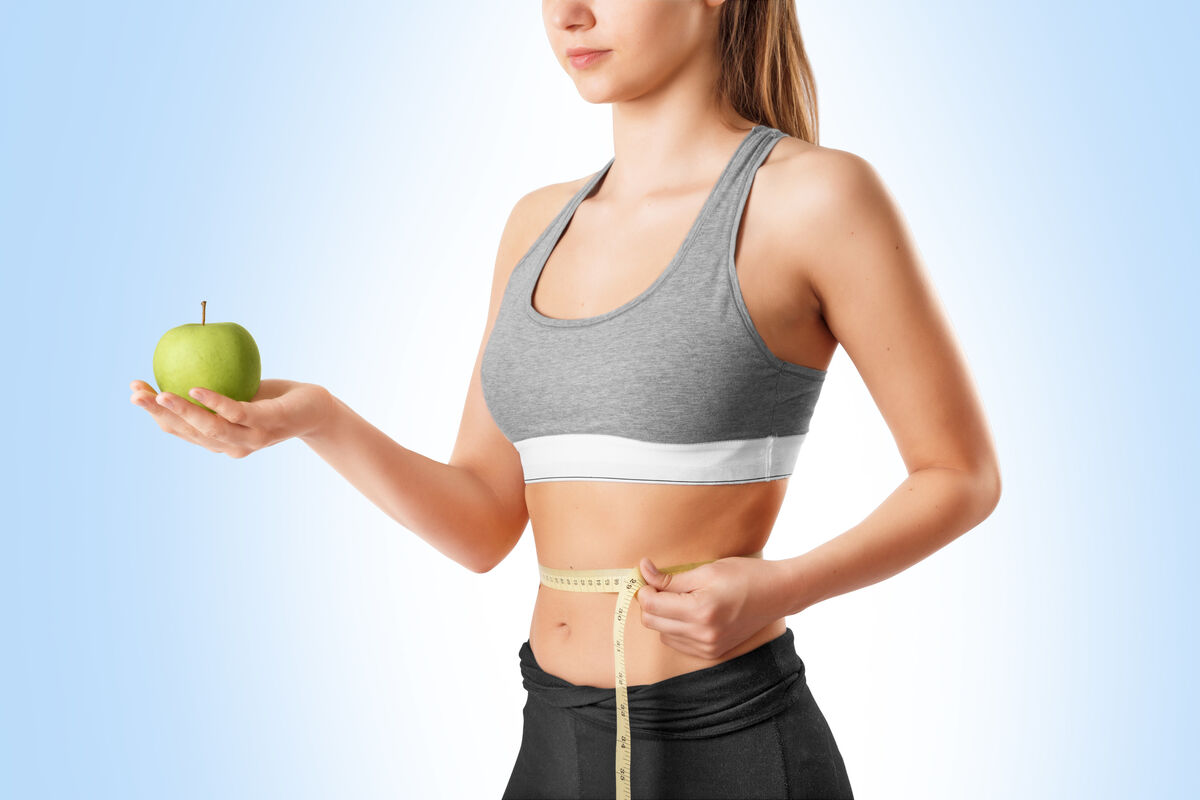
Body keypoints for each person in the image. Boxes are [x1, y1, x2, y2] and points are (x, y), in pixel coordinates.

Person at [129, 1, 1002, 797]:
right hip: (551, 738)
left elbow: (960, 474)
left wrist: (781, 587)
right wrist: (318, 419)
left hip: (730, 739)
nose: (568, 14)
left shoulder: (809, 197)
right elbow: (482, 524)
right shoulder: (534, 224)